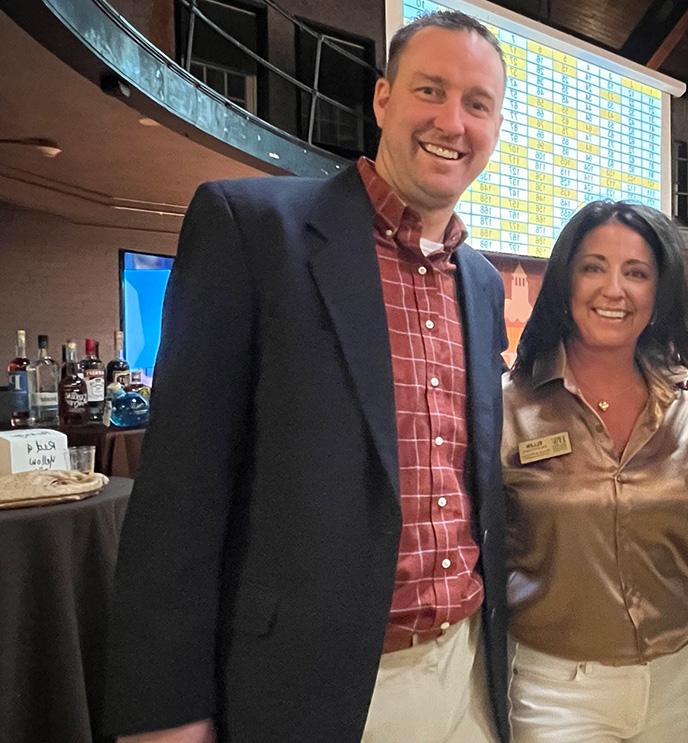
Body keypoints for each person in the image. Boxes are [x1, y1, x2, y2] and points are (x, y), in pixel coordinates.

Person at [105, 12, 511, 743]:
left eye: (478, 103)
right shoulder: (253, 229)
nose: (453, 121)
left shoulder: (479, 285)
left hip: (469, 675)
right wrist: (164, 708)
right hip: (314, 683)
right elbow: (179, 495)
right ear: (383, 100)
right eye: (431, 90)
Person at [501, 201, 688, 741]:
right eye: (593, 267)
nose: (614, 290)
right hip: (556, 688)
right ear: (565, 280)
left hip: (678, 678)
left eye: (637, 273)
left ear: (659, 290)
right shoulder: (506, 411)